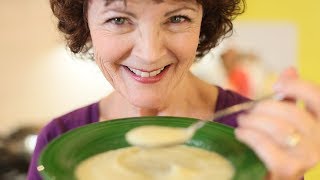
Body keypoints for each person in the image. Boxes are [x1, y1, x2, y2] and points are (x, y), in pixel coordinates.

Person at [28, 0, 320, 179]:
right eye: (118, 19)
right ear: (86, 24)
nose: (150, 53)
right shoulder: (59, 140)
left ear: (203, 22)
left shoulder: (256, 137)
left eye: (177, 17)